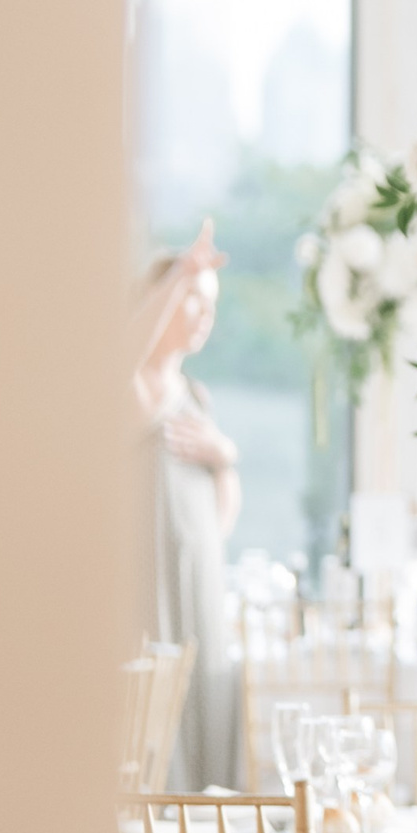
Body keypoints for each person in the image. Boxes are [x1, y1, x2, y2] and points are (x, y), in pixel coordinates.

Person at [135, 223, 241, 788]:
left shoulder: (197, 396)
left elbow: (223, 517)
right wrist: (180, 273)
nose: (206, 315)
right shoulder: (134, 388)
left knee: (207, 704)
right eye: (195, 299)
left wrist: (225, 458)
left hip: (199, 579)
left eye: (211, 304)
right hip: (150, 582)